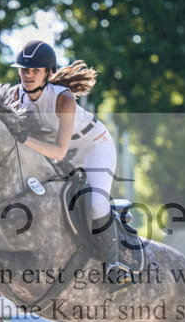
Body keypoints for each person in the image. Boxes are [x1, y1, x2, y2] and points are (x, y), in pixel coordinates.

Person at [11, 40, 129, 285]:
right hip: (59, 150)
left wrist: (24, 138)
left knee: (96, 203)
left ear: (48, 73)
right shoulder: (15, 95)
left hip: (93, 146)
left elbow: (59, 151)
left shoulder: (64, 99)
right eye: (24, 69)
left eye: (35, 70)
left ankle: (114, 263)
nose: (28, 75)